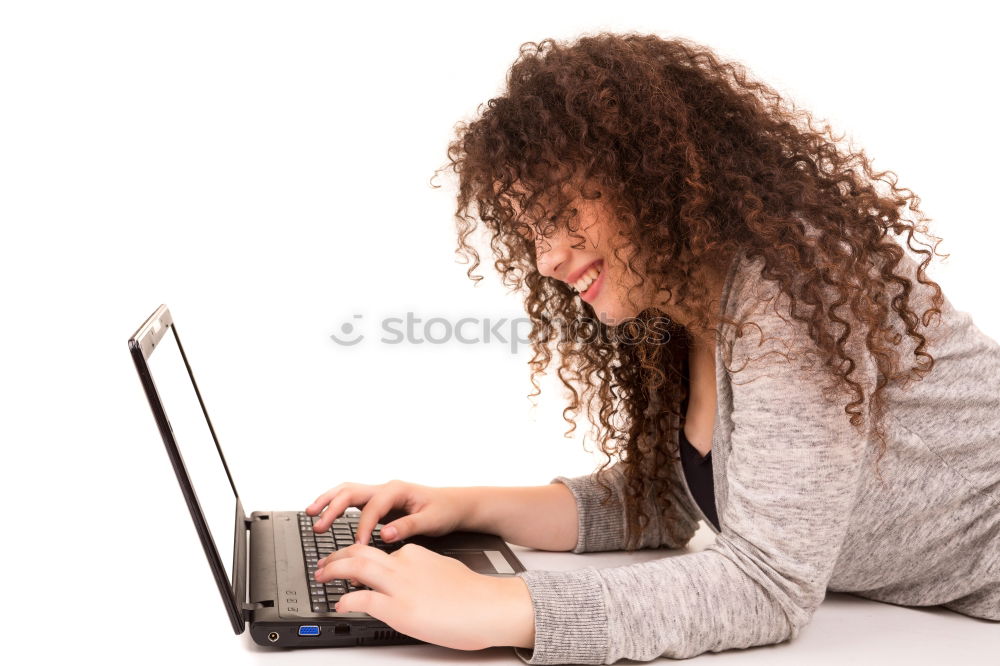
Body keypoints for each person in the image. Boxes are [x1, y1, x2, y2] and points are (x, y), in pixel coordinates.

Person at [305, 32, 1000, 663]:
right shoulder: (678, 307)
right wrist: (461, 508)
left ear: (645, 175)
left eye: (559, 217)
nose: (546, 259)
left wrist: (502, 608)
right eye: (529, 234)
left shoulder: (792, 287)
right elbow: (673, 500)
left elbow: (769, 586)